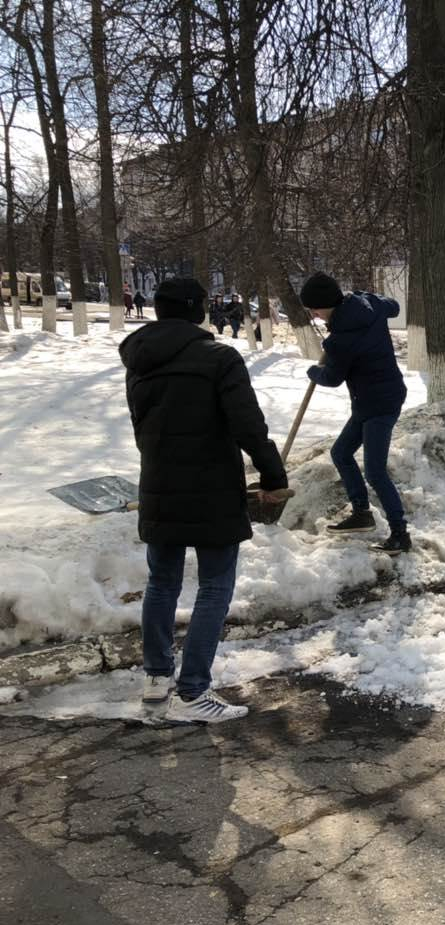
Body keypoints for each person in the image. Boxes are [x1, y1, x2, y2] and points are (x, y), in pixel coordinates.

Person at [118, 277, 289, 723]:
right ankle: (193, 690)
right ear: (197, 311)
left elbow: (144, 426)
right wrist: (273, 474)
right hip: (212, 488)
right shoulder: (219, 358)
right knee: (215, 585)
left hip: (158, 483)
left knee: (162, 582)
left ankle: (157, 682)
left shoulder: (138, 359)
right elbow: (248, 426)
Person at [301, 272, 411, 554]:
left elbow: (332, 378)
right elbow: (394, 306)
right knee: (340, 453)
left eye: (314, 308)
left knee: (374, 471)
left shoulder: (340, 341)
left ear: (326, 304)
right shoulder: (370, 304)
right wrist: (366, 296)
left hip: (380, 403)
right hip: (373, 398)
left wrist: (314, 371)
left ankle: (400, 534)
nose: (314, 314)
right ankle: (361, 513)